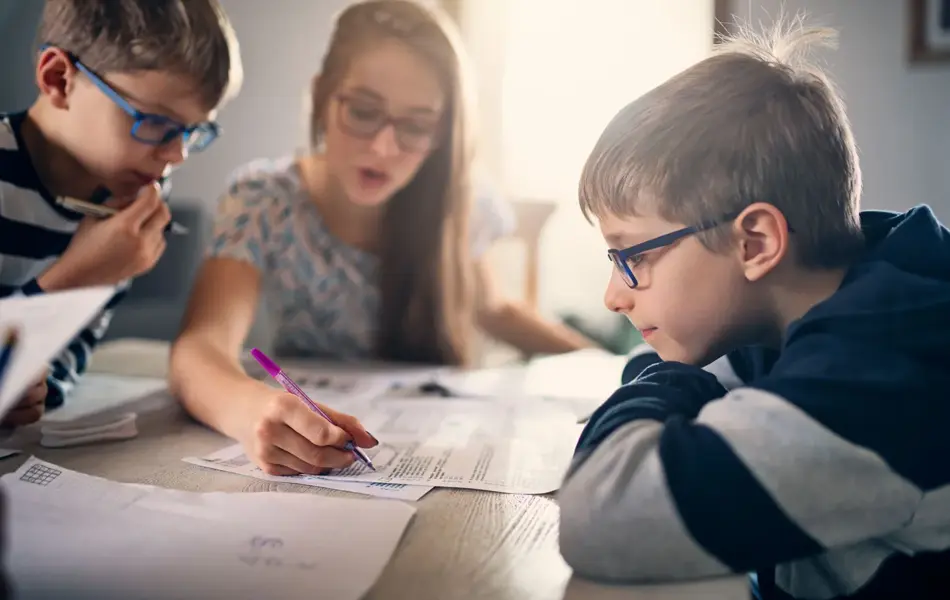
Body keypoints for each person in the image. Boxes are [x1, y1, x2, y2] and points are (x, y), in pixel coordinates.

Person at [556, 19, 950, 600]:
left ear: (756, 243)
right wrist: (665, 374)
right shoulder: (811, 317)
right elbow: (652, 373)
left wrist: (667, 376)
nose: (614, 296)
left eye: (631, 255)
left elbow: (602, 511)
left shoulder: (877, 376)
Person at [169, 0, 594, 476]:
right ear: (322, 97)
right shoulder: (263, 200)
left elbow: (493, 309)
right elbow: (200, 348)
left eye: (416, 125)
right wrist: (252, 412)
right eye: (364, 111)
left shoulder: (459, 201)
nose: (384, 147)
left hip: (448, 439)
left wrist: (602, 361)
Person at [0, 0, 242, 426]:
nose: (177, 155)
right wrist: (80, 275)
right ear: (59, 79)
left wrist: (35, 389)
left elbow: (69, 357)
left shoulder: (127, 195)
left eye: (194, 132)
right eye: (155, 123)